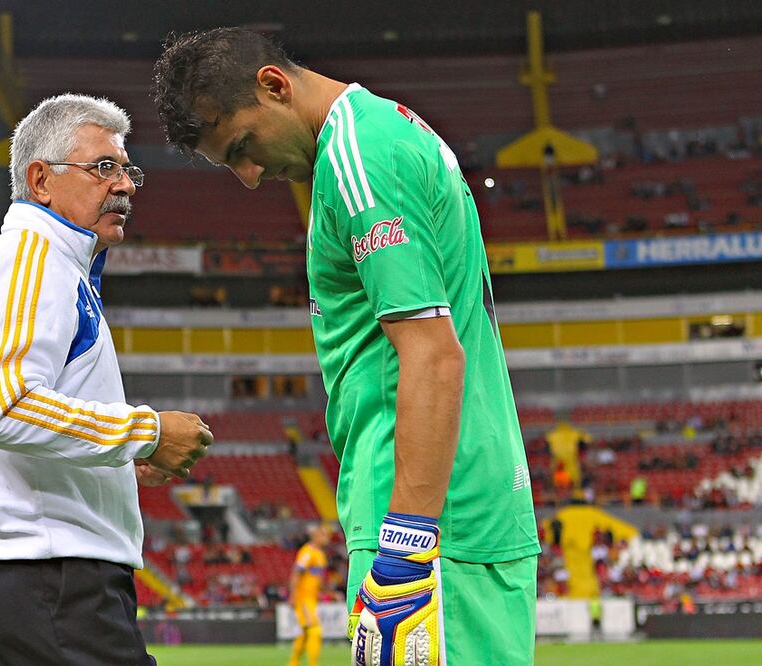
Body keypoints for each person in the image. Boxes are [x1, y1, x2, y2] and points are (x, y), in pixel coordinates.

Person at [154, 28, 540, 665]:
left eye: (244, 147)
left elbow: (433, 354)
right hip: (449, 510)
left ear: (274, 86)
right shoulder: (374, 138)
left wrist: (408, 546)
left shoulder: (361, 159)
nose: (250, 177)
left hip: (431, 524)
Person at [0, 93, 213, 666]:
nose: (126, 186)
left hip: (52, 576)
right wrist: (145, 433)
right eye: (104, 167)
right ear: (40, 180)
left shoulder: (57, 266)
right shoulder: (30, 258)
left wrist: (117, 456)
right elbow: (5, 405)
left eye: (128, 170)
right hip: (53, 575)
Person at [288, 524, 332, 666]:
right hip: (303, 598)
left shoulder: (320, 554)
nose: (327, 538)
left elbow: (317, 579)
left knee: (305, 632)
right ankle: (313, 663)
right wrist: (292, 595)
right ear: (315, 536)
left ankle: (293, 662)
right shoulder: (307, 552)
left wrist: (327, 592)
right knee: (314, 630)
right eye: (324, 535)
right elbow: (296, 573)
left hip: (311, 598)